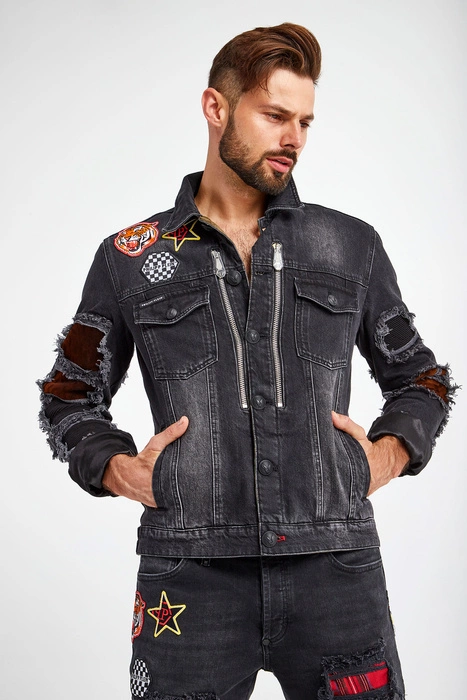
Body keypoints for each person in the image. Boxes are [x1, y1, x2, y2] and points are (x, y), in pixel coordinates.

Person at [38, 22, 456, 700]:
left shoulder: (348, 245)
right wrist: (117, 469)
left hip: (335, 569)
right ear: (216, 107)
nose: (293, 138)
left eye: (304, 122)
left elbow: (422, 379)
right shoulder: (131, 257)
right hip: (188, 577)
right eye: (274, 115)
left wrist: (385, 456)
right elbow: (67, 393)